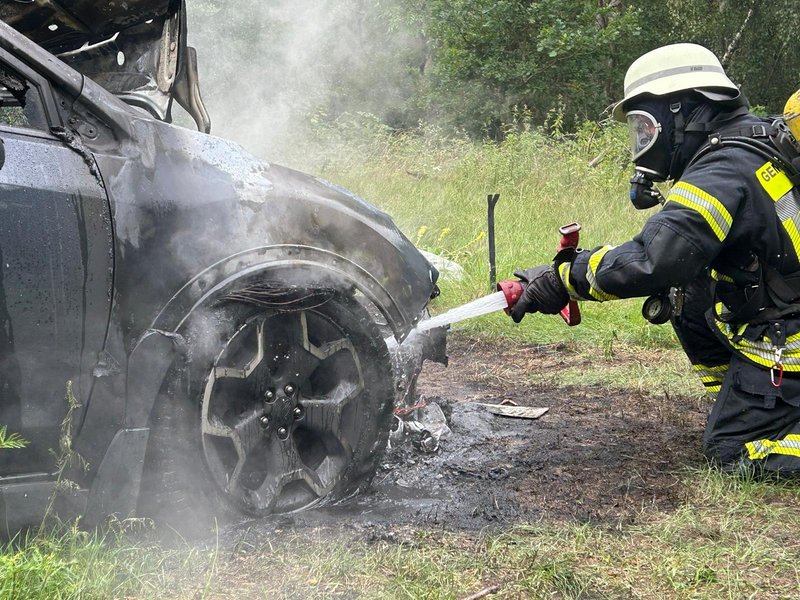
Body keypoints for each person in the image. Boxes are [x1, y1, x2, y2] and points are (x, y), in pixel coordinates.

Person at [511, 42, 800, 473]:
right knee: (689, 293)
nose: (644, 140)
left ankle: (763, 416)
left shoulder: (720, 171)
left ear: (681, 112)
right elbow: (678, 257)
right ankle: (741, 397)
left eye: (645, 127)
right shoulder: (751, 141)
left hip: (787, 339)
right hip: (781, 311)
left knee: (733, 453)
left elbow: (656, 260)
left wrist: (564, 279)